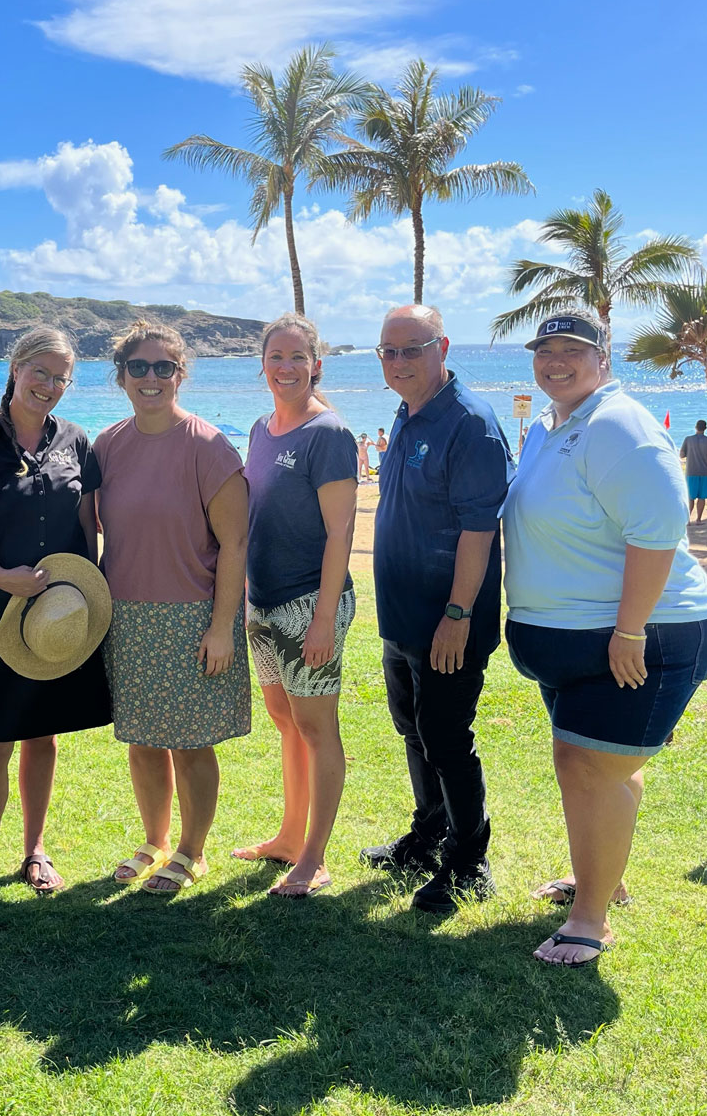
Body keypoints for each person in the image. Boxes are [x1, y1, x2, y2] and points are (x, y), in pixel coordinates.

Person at [504, 313, 707, 966]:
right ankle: (604, 875)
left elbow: (657, 534)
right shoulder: (552, 426)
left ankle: (590, 919)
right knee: (599, 769)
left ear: (604, 357)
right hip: (578, 637)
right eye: (546, 350)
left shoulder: (616, 425)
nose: (556, 360)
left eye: (574, 349)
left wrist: (630, 628)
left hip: (643, 633)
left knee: (589, 768)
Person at [0, 326, 112, 895]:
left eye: (61, 377)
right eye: (40, 371)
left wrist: (92, 592)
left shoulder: (77, 441)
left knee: (44, 737)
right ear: (15, 368)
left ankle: (34, 849)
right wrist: (3, 578)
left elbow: (89, 523)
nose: (50, 385)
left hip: (63, 617)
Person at [361, 304, 513, 913]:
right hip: (402, 617)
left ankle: (469, 861)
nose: (398, 362)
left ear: (443, 347)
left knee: (447, 737)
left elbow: (480, 531)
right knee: (414, 729)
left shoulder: (470, 422)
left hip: (448, 620)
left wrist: (457, 615)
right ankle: (428, 835)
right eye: (387, 352)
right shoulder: (408, 413)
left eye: (411, 349)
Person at [95, 321, 251, 894]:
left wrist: (221, 629)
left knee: (190, 744)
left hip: (192, 618)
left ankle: (192, 850)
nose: (151, 377)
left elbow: (235, 543)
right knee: (141, 739)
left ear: (180, 375)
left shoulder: (208, 445)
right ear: (121, 377)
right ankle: (154, 840)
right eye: (139, 366)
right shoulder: (108, 445)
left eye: (164, 367)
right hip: (128, 617)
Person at [234, 315, 358, 896]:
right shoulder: (261, 429)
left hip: (309, 600)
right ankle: (288, 837)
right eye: (275, 357)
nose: (286, 368)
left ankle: (315, 856)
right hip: (263, 600)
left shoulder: (327, 433)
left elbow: (340, 533)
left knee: (315, 727)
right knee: (285, 722)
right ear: (263, 365)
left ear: (315, 365)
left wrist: (325, 619)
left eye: (296, 358)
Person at [680, 419, 707, 522]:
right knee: (702, 497)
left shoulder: (688, 439)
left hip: (691, 471)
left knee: (690, 497)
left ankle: (688, 520)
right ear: (705, 429)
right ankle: (698, 519)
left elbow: (682, 455)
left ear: (695, 427)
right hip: (706, 472)